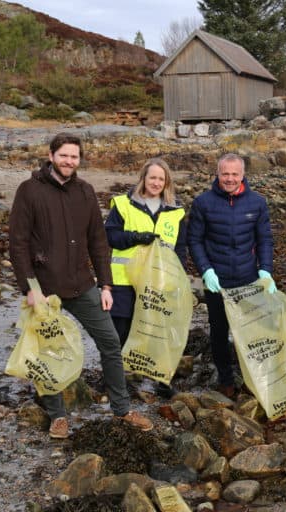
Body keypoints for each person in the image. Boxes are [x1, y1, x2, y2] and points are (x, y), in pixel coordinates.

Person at [8, 133, 153, 439]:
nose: (69, 161)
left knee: (111, 343)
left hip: (82, 284)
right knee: (49, 352)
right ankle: (58, 415)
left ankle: (122, 408)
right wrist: (29, 288)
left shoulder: (85, 192)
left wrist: (106, 286)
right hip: (45, 288)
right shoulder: (29, 191)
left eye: (74, 157)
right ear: (51, 155)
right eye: (64, 156)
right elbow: (18, 244)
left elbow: (98, 243)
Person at [187, 153, 275, 399]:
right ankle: (225, 379)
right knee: (218, 331)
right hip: (217, 281)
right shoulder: (203, 203)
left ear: (243, 175)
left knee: (251, 332)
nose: (229, 178)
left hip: (248, 280)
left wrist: (265, 269)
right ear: (217, 174)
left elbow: (264, 239)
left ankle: (252, 379)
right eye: (225, 173)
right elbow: (194, 240)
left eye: (235, 174)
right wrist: (206, 270)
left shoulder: (257, 203)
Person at [105, 157, 186, 397]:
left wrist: (176, 278)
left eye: (161, 179)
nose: (156, 182)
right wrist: (136, 237)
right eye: (152, 177)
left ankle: (163, 380)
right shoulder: (122, 205)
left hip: (158, 284)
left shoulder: (176, 211)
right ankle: (114, 381)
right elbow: (110, 237)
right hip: (124, 282)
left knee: (160, 331)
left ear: (167, 182)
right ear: (143, 178)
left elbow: (180, 248)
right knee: (121, 332)